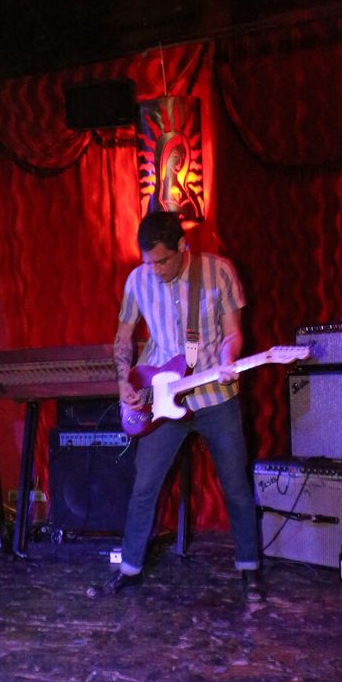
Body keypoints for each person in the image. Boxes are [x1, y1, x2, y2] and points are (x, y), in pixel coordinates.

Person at [92, 211, 264, 601]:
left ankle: (249, 567)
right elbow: (123, 338)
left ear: (182, 247)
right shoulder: (137, 280)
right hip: (162, 400)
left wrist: (227, 359)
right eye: (149, 262)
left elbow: (233, 335)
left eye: (163, 261)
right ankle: (130, 569)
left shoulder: (218, 272)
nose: (155, 270)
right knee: (144, 486)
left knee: (236, 485)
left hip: (214, 396)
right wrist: (123, 382)